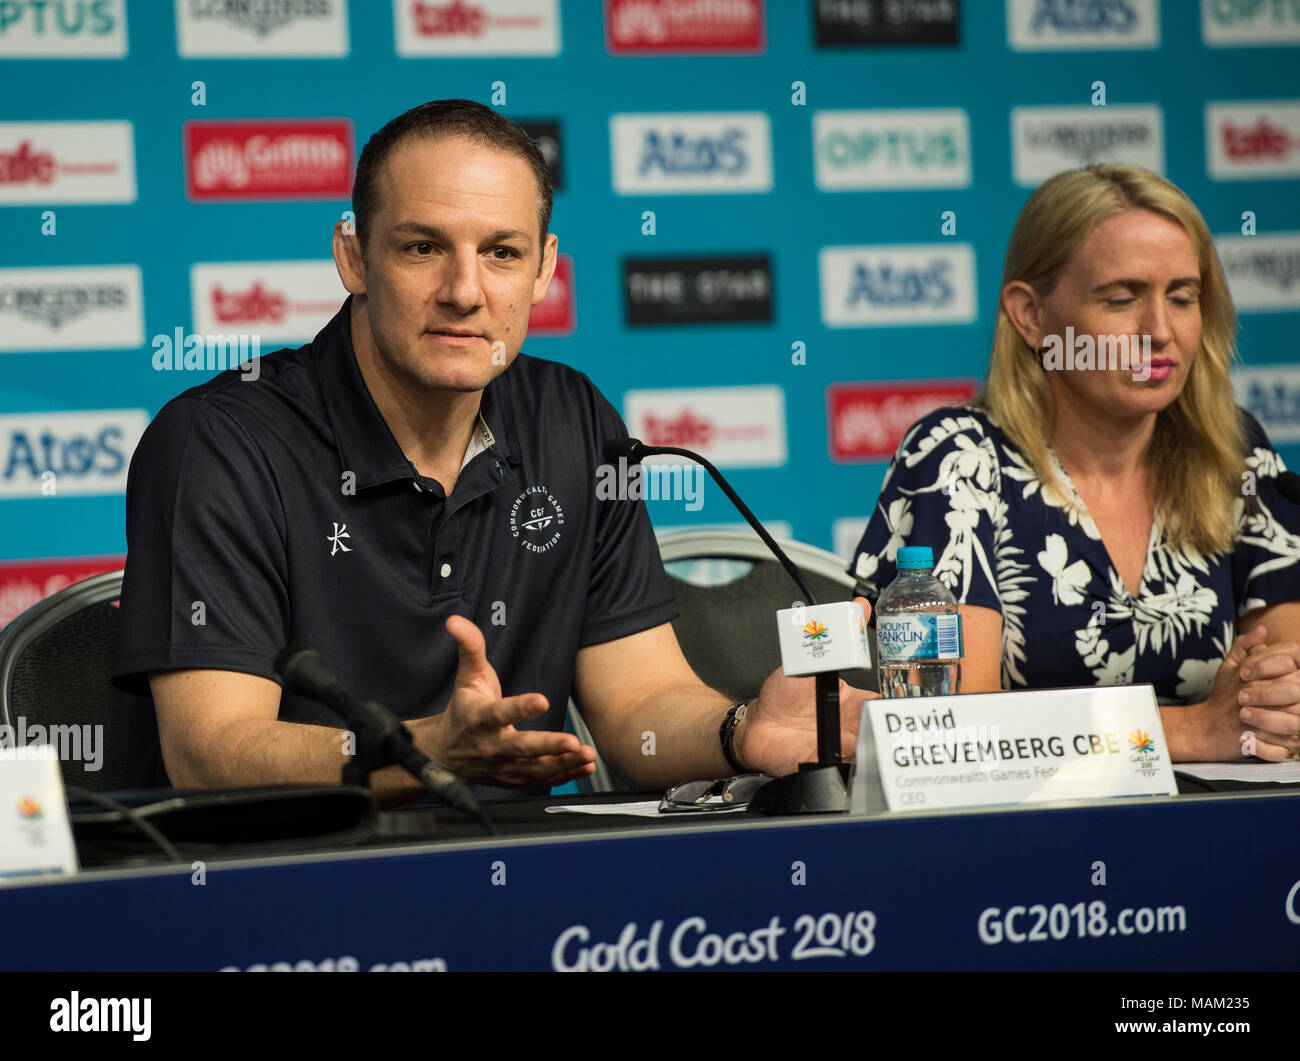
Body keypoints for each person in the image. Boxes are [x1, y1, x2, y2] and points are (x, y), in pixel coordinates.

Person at [111, 99, 871, 804]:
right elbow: (208, 751)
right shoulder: (221, 440)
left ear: (543, 268)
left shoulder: (572, 418)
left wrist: (741, 732)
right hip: (285, 890)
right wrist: (416, 752)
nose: (465, 291)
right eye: (422, 246)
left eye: (502, 253)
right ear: (352, 256)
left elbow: (639, 705)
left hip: (519, 889)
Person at [849, 163, 1300, 764]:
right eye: (1121, 299)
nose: (1159, 331)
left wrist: (1274, 707)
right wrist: (1190, 732)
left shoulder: (1235, 452)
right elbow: (946, 730)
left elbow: (1280, 692)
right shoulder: (958, 460)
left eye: (1184, 297)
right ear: (1032, 316)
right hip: (1021, 845)